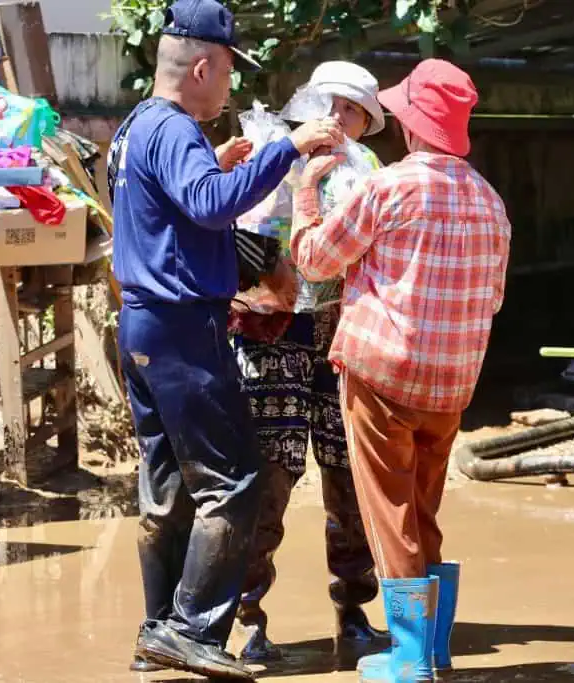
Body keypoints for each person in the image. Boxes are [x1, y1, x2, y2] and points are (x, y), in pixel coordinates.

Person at [108, 0, 344, 678]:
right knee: (233, 480)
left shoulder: (135, 128)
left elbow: (175, 200)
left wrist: (216, 163)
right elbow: (213, 206)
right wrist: (286, 149)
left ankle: (159, 630)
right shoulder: (174, 128)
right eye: (229, 73)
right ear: (203, 65)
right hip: (184, 327)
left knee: (167, 487)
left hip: (143, 327)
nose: (232, 88)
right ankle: (192, 628)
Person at [289, 59, 511, 682]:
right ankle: (432, 649)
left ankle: (409, 660)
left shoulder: (388, 187)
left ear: (411, 128)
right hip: (450, 386)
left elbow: (313, 261)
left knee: (389, 515)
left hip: (382, 377)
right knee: (423, 511)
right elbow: (491, 300)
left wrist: (308, 193)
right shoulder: (490, 202)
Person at [228, 61, 389, 663]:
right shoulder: (275, 154)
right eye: (331, 105)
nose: (338, 118)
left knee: (346, 472)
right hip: (272, 332)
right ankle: (247, 619)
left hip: (339, 330)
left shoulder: (368, 170)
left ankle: (353, 612)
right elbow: (241, 238)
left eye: (352, 110)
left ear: (366, 121)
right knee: (269, 471)